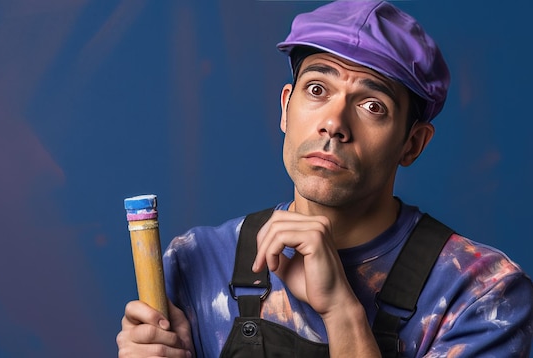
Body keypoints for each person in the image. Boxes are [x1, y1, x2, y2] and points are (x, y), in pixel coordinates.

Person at [116, 1, 533, 357]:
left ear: (413, 143)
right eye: (317, 89)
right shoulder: (195, 264)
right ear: (285, 107)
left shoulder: (480, 294)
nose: (334, 123)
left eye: (373, 105)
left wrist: (343, 312)